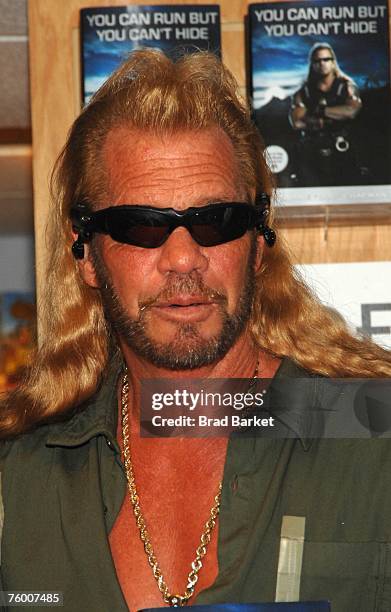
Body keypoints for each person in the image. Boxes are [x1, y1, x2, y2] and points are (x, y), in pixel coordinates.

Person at [1, 49, 391, 612]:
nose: (183, 258)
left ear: (258, 243)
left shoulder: (372, 437)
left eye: (215, 221)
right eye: (140, 224)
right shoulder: (20, 481)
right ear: (86, 254)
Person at [289, 42, 363, 186]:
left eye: (326, 59)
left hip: (341, 147)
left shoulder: (346, 86)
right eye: (317, 60)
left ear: (333, 61)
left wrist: (320, 111)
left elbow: (351, 111)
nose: (322, 63)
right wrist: (325, 119)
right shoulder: (304, 92)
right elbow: (296, 122)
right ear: (312, 64)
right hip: (312, 151)